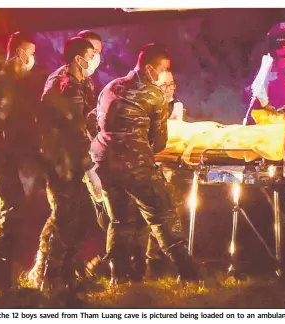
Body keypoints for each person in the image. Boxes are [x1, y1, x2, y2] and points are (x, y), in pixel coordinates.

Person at [90, 43, 203, 286]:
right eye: (164, 69)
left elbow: (95, 120)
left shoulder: (110, 87)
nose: (165, 75)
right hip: (135, 163)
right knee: (162, 213)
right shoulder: (154, 95)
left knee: (119, 220)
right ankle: (188, 273)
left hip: (104, 162)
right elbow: (160, 140)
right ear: (150, 69)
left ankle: (118, 276)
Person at [32, 37, 99, 290]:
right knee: (64, 218)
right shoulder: (66, 86)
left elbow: (89, 119)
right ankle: (50, 279)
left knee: (75, 216)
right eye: (92, 55)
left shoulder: (83, 81)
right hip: (61, 162)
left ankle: (64, 276)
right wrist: (91, 169)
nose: (95, 60)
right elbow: (76, 131)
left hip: (72, 159)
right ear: (78, 59)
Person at [0, 32, 37, 291]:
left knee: (6, 214)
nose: (32, 59)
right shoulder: (8, 81)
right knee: (12, 212)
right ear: (22, 53)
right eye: (31, 54)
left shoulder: (1, 79)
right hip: (1, 156)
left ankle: (0, 278)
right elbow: (1, 119)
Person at [244, 22, 285, 124]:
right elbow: (257, 91)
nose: (284, 48)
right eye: (279, 43)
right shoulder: (267, 64)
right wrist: (267, 106)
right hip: (270, 124)